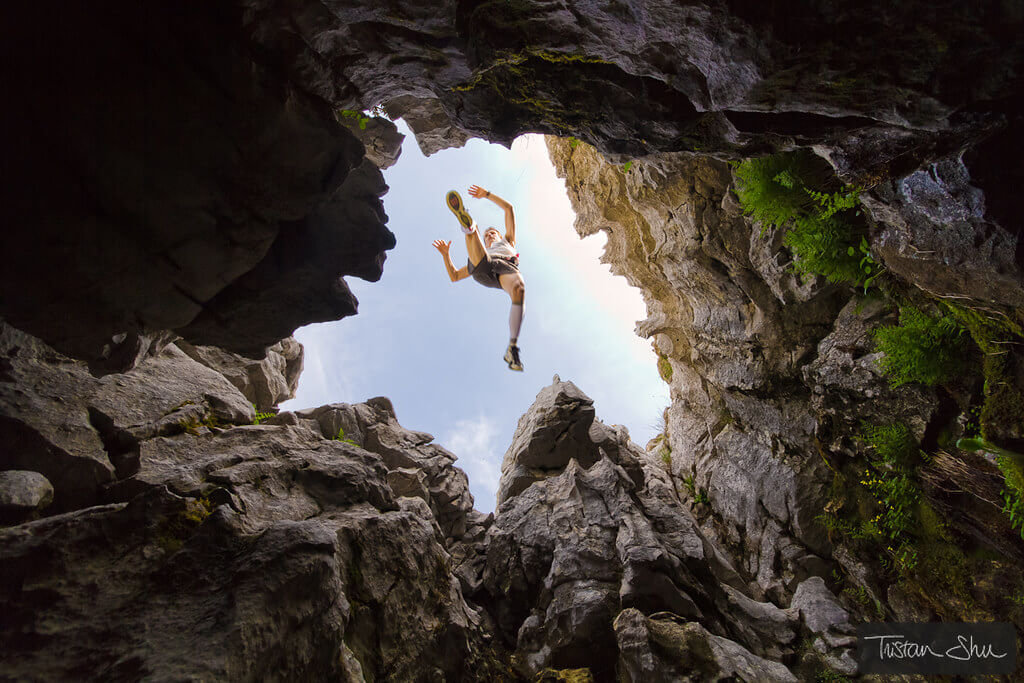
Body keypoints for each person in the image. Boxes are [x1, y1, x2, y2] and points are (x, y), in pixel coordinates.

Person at [432, 184, 525, 371]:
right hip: (483, 265)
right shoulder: (486, 248)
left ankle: (512, 347)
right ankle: (469, 226)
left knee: (519, 289)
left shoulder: (508, 241)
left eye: (492, 233)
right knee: (475, 242)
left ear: (500, 235)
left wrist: (487, 194)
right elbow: (455, 275)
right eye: (487, 235)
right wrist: (445, 255)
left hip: (506, 267)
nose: (490, 235)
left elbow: (509, 209)